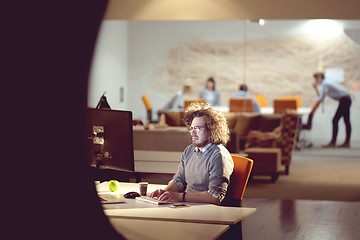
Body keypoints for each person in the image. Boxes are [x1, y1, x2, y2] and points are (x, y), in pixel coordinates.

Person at [150, 102, 234, 205]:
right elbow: (179, 181)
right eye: (192, 128)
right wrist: (165, 192)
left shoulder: (218, 155)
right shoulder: (189, 150)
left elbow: (214, 197)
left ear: (212, 130)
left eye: (198, 128)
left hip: (208, 211)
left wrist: (179, 196)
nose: (193, 132)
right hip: (188, 204)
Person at [313, 72, 352, 148]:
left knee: (335, 120)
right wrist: (316, 89)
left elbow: (321, 97)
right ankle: (346, 142)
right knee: (345, 121)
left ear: (321, 78)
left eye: (316, 79)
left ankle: (334, 142)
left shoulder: (325, 84)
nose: (316, 81)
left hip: (344, 100)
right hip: (345, 99)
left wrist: (315, 91)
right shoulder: (326, 83)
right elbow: (322, 96)